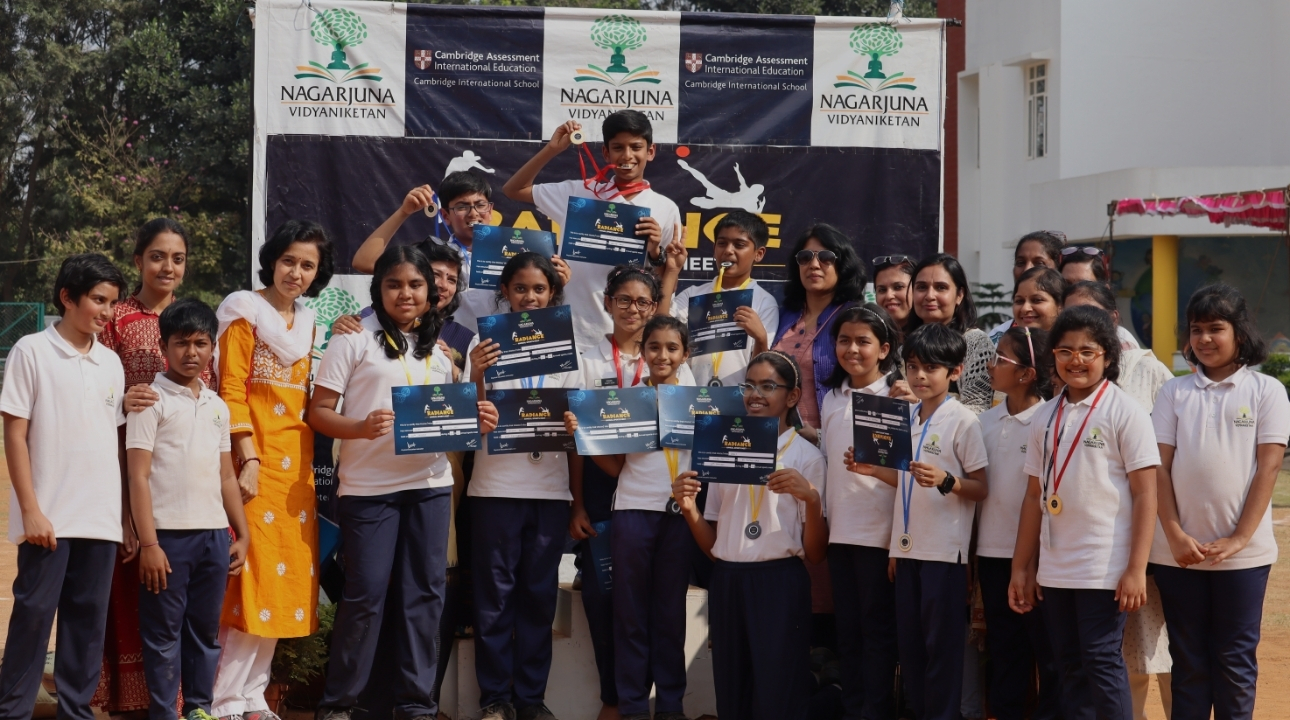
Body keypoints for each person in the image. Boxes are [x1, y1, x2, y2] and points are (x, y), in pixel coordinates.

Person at [310, 244, 499, 720]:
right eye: (394, 284)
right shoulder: (353, 338)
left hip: (430, 485)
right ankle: (339, 705)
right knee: (366, 595)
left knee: (426, 595)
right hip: (368, 489)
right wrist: (359, 427)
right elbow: (318, 413)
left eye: (415, 285)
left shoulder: (441, 349)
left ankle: (416, 705)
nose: (405, 294)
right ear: (379, 290)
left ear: (431, 292)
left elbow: (458, 418)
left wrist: (479, 415)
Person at [1009, 305, 1160, 720]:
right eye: (1065, 351)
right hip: (1056, 567)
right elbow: (1034, 497)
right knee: (1069, 664)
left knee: (1101, 659)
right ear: (1053, 356)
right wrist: (1022, 567)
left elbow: (1146, 494)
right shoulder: (1046, 415)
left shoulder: (1125, 411)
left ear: (1107, 356)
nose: (1076, 360)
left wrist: (1136, 569)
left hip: (1104, 566)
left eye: (1087, 351)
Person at [212, 221, 333, 720]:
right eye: (289, 261)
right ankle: (223, 699)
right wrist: (249, 458)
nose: (296, 273)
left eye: (307, 265)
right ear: (272, 261)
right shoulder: (244, 310)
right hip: (252, 460)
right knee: (251, 576)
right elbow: (230, 389)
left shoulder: (308, 323)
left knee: (284, 578)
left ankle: (254, 695)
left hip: (296, 467)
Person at [0, 253, 128, 720]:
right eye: (98, 300)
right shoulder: (31, 350)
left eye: (112, 303)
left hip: (101, 520)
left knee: (86, 625)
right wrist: (31, 510)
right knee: (33, 617)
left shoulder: (111, 362)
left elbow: (115, 443)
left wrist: (123, 517)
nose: (107, 311)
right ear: (67, 298)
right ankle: (12, 711)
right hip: (48, 519)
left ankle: (77, 712)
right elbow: (15, 435)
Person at [1152, 284, 1288, 720]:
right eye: (1196, 329)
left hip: (1244, 558)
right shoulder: (1174, 392)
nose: (1205, 339)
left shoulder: (1266, 390)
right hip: (1179, 555)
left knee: (1234, 660)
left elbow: (1268, 467)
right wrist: (1174, 534)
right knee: (1187, 660)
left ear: (1240, 333)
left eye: (1216, 328)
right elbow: (1158, 468)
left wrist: (1239, 539)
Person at [95, 218, 214, 716]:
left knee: (182, 602)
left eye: (178, 258)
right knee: (129, 583)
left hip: (184, 483)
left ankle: (183, 702)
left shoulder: (197, 323)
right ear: (138, 259)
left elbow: (213, 399)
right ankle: (127, 699)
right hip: (124, 466)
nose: (168, 266)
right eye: (158, 256)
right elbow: (93, 387)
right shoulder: (115, 319)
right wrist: (121, 400)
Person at [671, 352, 828, 720]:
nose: (755, 395)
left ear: (792, 396)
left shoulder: (806, 457)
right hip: (728, 580)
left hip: (779, 581)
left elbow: (816, 554)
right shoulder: (723, 450)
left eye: (768, 386)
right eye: (750, 385)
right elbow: (714, 548)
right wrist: (690, 509)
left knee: (778, 691)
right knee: (732, 689)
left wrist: (811, 499)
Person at [847, 323, 990, 720]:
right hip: (908, 550)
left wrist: (947, 480)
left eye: (930, 367)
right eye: (912, 367)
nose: (920, 376)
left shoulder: (963, 420)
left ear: (955, 371)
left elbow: (981, 488)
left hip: (944, 554)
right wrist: (873, 470)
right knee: (910, 650)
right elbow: (906, 483)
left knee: (941, 651)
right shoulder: (903, 417)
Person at [465, 253, 580, 720]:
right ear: (505, 292)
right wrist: (475, 378)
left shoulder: (569, 347)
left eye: (539, 289)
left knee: (538, 598)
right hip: (495, 489)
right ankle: (495, 699)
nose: (529, 297)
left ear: (552, 293)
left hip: (550, 492)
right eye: (520, 288)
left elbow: (578, 428)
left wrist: (575, 425)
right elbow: (465, 422)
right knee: (494, 600)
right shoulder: (484, 345)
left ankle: (530, 700)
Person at [564, 315, 694, 720]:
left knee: (670, 613)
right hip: (633, 512)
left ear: (685, 354)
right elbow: (617, 467)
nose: (662, 355)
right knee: (629, 613)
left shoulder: (700, 401)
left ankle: (670, 707)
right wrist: (583, 437)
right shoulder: (628, 400)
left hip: (680, 516)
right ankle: (633, 707)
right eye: (654, 346)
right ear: (643, 351)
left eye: (672, 348)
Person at [126, 299, 250, 720]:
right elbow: (138, 476)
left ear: (213, 348)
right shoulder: (149, 401)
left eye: (201, 343)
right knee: (162, 635)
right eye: (181, 343)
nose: (191, 352)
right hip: (167, 540)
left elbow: (227, 476)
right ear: (164, 347)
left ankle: (199, 710)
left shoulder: (218, 406)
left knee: (204, 634)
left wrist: (242, 533)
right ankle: (164, 713)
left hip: (214, 538)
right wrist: (149, 544)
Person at [503, 110, 681, 352]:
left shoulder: (665, 208)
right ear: (606, 153)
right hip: (570, 332)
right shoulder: (579, 193)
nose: (627, 155)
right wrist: (552, 149)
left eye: (636, 147)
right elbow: (513, 189)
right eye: (618, 147)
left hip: (628, 338)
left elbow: (664, 281)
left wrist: (654, 252)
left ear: (650, 151)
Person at [818, 305, 901, 720]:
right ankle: (854, 709)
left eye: (863, 342)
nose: (852, 349)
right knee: (848, 631)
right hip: (840, 533)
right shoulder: (832, 398)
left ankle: (877, 711)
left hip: (880, 535)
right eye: (844, 340)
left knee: (877, 632)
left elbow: (906, 474)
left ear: (883, 349)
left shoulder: (899, 396)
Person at [977, 326, 1060, 720]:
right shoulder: (983, 422)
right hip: (992, 553)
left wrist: (1030, 561)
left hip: (1038, 558)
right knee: (1005, 649)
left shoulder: (1048, 420)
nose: (990, 365)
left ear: (1027, 373)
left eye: (1000, 359)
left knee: (1048, 653)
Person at [663, 210, 778, 388]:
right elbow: (660, 329)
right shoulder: (692, 294)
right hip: (691, 398)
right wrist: (672, 271)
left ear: (759, 253)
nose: (728, 251)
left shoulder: (764, 302)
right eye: (722, 243)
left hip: (740, 401)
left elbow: (763, 371)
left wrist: (761, 338)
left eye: (739, 245)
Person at [772, 223, 868, 434]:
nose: (814, 265)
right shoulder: (782, 314)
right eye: (805, 257)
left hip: (831, 442)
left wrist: (818, 437)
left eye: (826, 257)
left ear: (842, 264)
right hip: (774, 439)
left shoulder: (856, 317)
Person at [905, 254, 994, 414]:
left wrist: (922, 403)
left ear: (959, 295)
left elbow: (979, 410)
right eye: (921, 287)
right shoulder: (904, 344)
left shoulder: (975, 343)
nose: (929, 296)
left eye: (941, 287)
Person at [1064, 282, 1167, 406]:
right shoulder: (1059, 371)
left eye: (1091, 314)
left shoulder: (1148, 369)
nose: (1079, 323)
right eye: (1070, 316)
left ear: (1114, 318)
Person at [990, 231, 1065, 343]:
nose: (1027, 269)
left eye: (1039, 263)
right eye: (1020, 262)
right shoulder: (997, 340)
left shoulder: (1076, 341)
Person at [1011, 267, 1065, 332]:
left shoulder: (1073, 338)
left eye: (1037, 300)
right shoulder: (1003, 336)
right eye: (1019, 301)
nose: (1025, 308)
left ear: (1061, 305)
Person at [873, 255, 916, 335]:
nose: (889, 296)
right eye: (882, 290)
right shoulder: (870, 335)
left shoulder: (933, 338)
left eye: (898, 287)